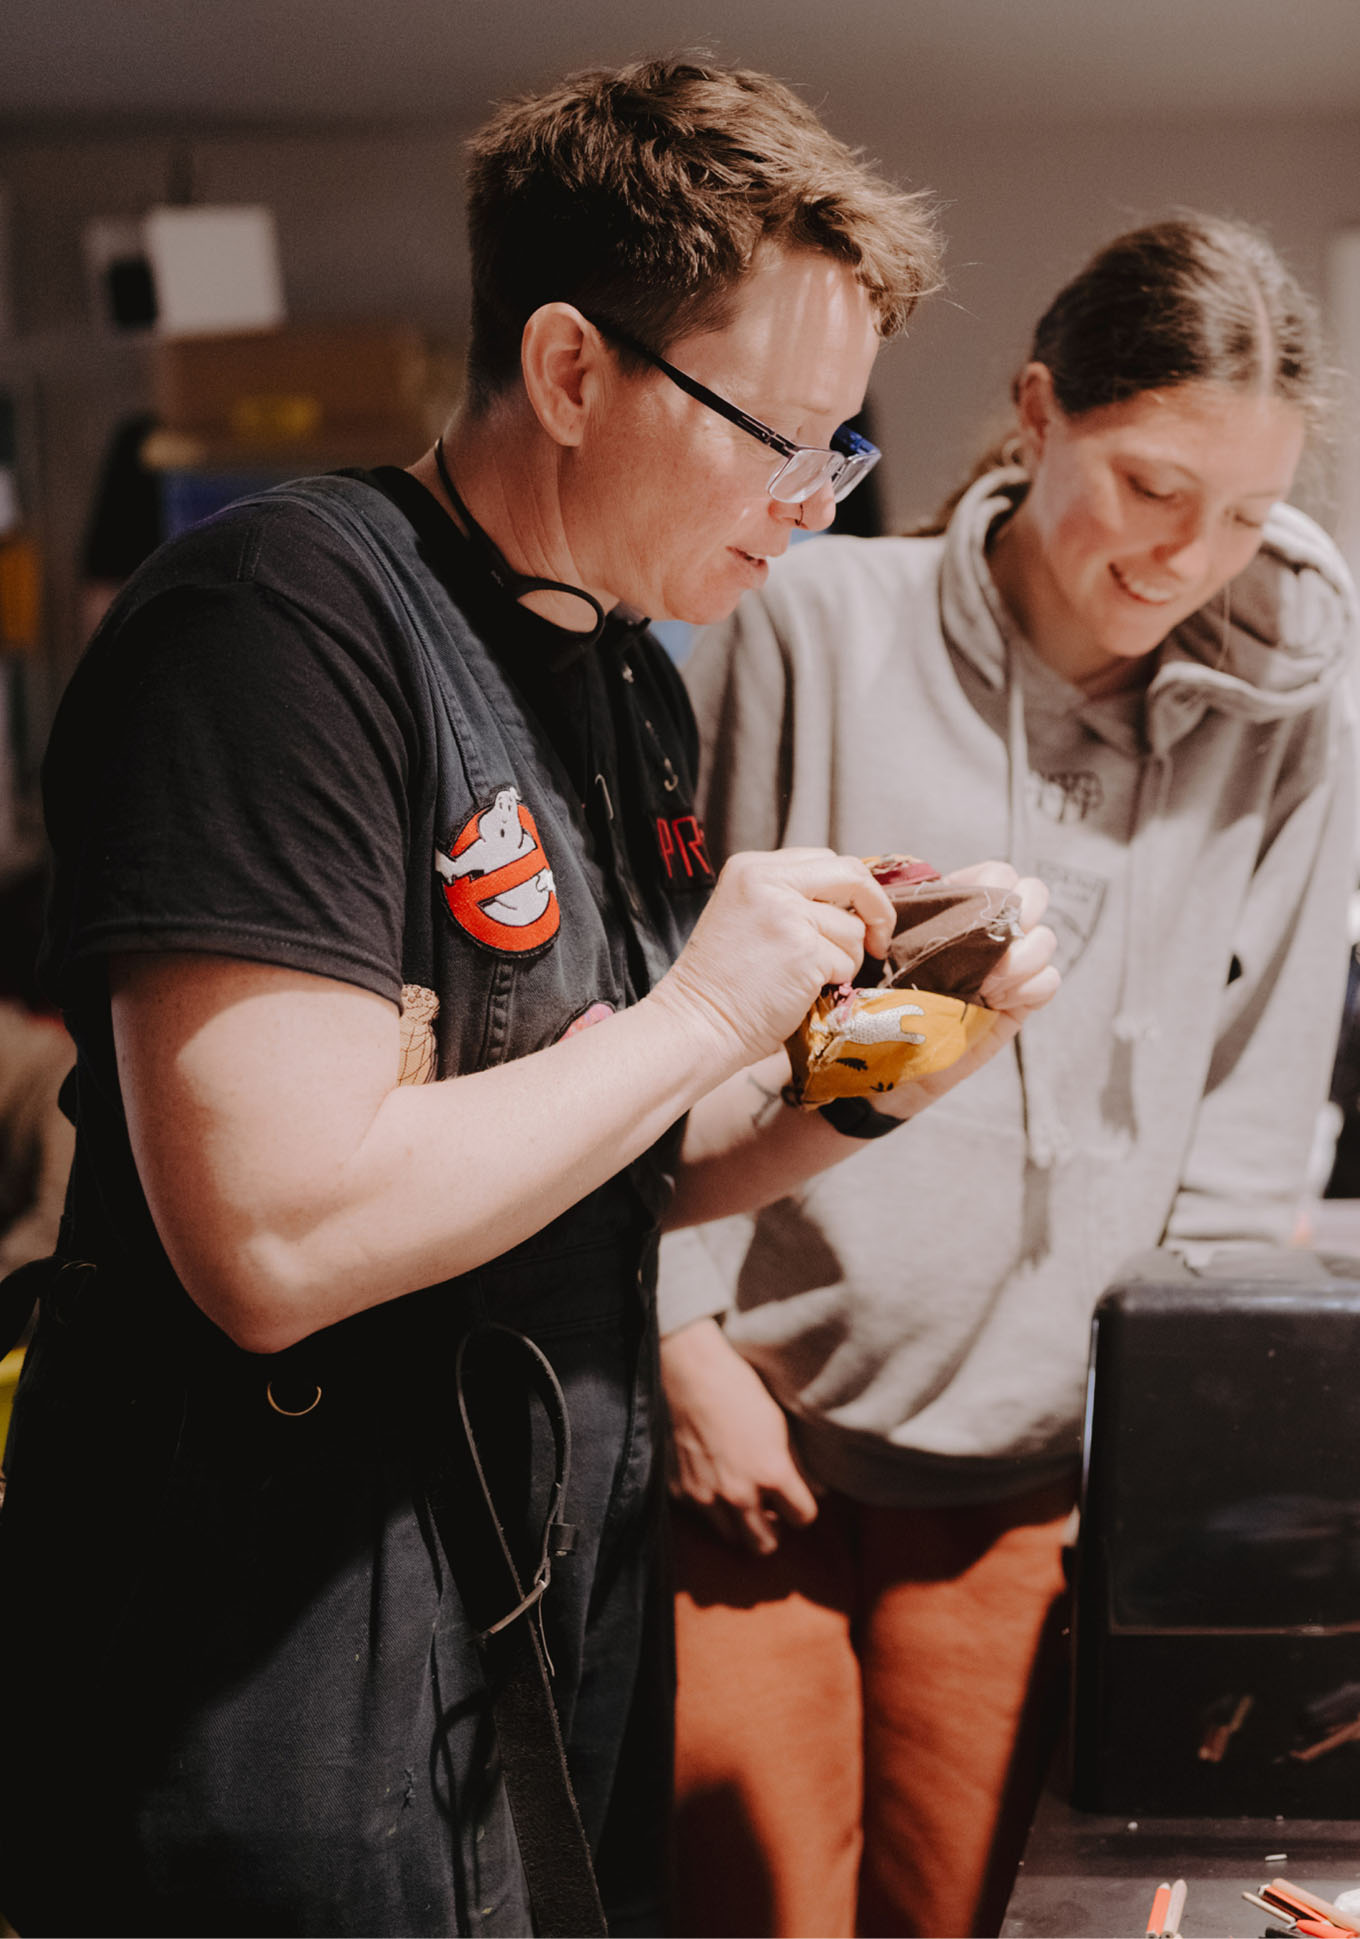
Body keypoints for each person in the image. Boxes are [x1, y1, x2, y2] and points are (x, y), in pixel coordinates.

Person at [0, 58, 1062, 1939]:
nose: (815, 501)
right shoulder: (282, 626)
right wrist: (700, 1014)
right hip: (276, 1668)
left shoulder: (623, 679)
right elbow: (271, 1232)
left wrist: (890, 1056)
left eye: (846, 447)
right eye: (776, 435)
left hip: (533, 1631)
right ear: (572, 369)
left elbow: (615, 1166)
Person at [660, 212, 1358, 1939]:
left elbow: (1254, 1113)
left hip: (1055, 1457)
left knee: (990, 1916)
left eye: (1248, 515)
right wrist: (673, 1335)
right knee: (748, 1910)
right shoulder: (807, 623)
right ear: (1039, 414)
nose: (1184, 555)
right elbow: (650, 999)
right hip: (762, 1425)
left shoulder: (1289, 732)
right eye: (1145, 484)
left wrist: (1181, 1448)